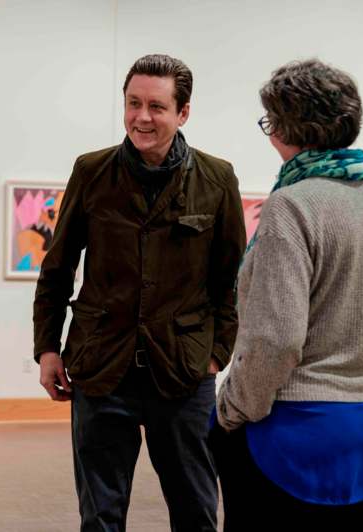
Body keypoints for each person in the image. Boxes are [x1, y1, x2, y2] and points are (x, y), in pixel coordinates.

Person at [33, 54, 246, 531]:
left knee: (195, 511)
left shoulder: (216, 179)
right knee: (101, 516)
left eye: (156, 106)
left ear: (183, 112)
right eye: (133, 104)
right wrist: (47, 347)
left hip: (184, 372)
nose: (142, 117)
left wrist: (216, 355)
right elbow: (58, 266)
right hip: (101, 366)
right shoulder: (91, 171)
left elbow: (231, 279)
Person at [212, 58, 363, 531]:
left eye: (269, 122)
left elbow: (276, 341)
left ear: (287, 127)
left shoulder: (292, 204)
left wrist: (230, 412)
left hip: (293, 433)